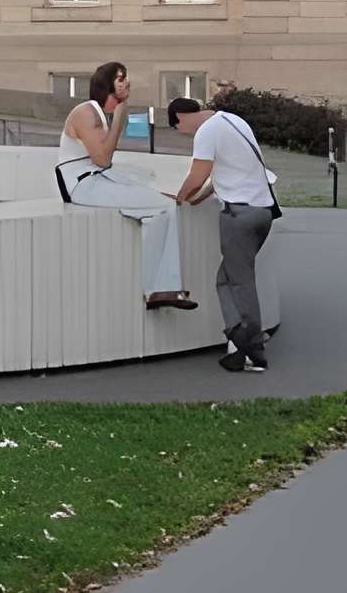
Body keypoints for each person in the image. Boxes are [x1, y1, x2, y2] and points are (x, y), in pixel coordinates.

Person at [59, 60, 193, 309]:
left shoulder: (100, 114)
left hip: (96, 179)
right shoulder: (86, 113)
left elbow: (103, 166)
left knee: (163, 206)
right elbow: (102, 159)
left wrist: (143, 191)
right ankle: (160, 289)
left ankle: (159, 289)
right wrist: (120, 117)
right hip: (82, 185)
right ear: (107, 85)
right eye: (121, 78)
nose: (127, 82)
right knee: (162, 206)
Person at [169, 94, 279, 372]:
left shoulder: (206, 131)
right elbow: (226, 171)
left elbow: (199, 173)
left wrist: (179, 198)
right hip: (262, 212)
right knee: (225, 280)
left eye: (177, 128)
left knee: (240, 283)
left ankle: (253, 351)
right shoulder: (234, 121)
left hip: (238, 216)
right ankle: (236, 339)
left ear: (180, 116)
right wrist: (198, 198)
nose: (183, 133)